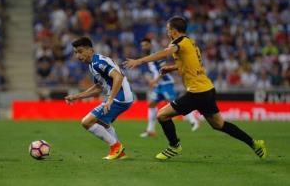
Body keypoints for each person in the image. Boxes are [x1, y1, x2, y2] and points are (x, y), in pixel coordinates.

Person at [123, 16, 267, 160]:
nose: (167, 33)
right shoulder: (191, 42)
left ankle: (174, 147)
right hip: (208, 89)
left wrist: (139, 60)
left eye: (168, 30)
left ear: (174, 31)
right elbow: (191, 65)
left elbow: (164, 53)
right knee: (219, 124)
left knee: (162, 115)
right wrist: (171, 68)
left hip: (197, 92)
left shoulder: (178, 42)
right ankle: (254, 143)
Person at [65, 37, 133, 160]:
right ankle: (120, 153)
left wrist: (111, 99)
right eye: (75, 52)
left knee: (86, 122)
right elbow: (98, 88)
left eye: (80, 51)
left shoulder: (98, 63)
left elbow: (118, 77)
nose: (77, 56)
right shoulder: (93, 64)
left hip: (120, 97)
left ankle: (116, 147)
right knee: (103, 123)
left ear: (90, 50)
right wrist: (77, 96)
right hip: (121, 97)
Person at [139, 38, 200, 138]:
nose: (143, 47)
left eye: (145, 45)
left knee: (175, 104)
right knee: (151, 104)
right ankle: (150, 130)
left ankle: (194, 120)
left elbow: (164, 69)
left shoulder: (157, 55)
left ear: (150, 45)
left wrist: (155, 80)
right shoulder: (148, 57)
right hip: (159, 85)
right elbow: (152, 71)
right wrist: (151, 80)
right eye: (142, 45)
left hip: (166, 83)